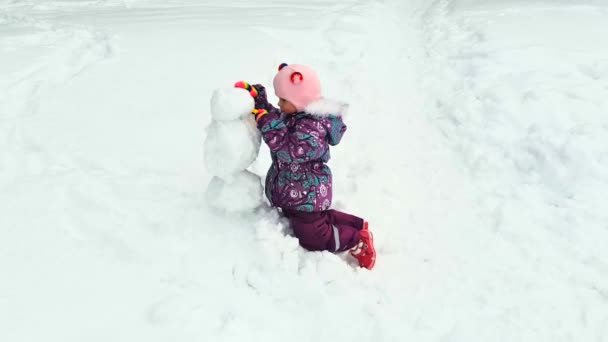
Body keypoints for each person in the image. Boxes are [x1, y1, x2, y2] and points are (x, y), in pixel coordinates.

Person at [235, 63, 376, 270]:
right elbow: (277, 119)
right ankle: (357, 225)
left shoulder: (312, 128)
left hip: (307, 194)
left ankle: (355, 240)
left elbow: (289, 150)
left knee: (314, 237)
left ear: (299, 101)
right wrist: (259, 100)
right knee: (315, 220)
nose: (280, 104)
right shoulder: (296, 115)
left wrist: (267, 122)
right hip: (298, 194)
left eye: (283, 100)